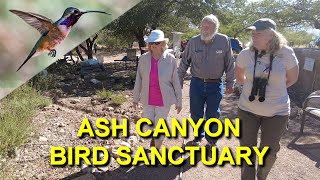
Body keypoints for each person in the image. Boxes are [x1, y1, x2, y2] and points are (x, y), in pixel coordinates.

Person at [235, 18, 299, 180]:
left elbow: (292, 79)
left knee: (269, 151)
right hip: (247, 110)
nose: (254, 37)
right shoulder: (245, 54)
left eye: (259, 34)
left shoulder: (286, 53)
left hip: (277, 112)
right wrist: (252, 89)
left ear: (272, 35)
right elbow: (240, 77)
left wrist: (272, 92)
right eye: (253, 34)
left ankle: (261, 176)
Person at [178, 14, 235, 148]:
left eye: (209, 27)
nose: (205, 29)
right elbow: (184, 61)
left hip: (215, 85)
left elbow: (230, 63)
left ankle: (211, 142)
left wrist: (230, 82)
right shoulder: (193, 41)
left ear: (216, 28)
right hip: (196, 83)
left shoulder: (224, 40)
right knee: (196, 113)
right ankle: (198, 137)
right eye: (203, 26)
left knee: (213, 114)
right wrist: (179, 77)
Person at [133, 29, 182, 149]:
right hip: (147, 98)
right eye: (152, 43)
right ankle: (154, 138)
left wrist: (179, 101)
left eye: (157, 43)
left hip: (164, 99)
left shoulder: (170, 59)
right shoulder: (143, 59)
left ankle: (157, 148)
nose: (154, 45)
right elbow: (138, 79)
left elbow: (176, 81)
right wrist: (135, 98)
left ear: (163, 44)